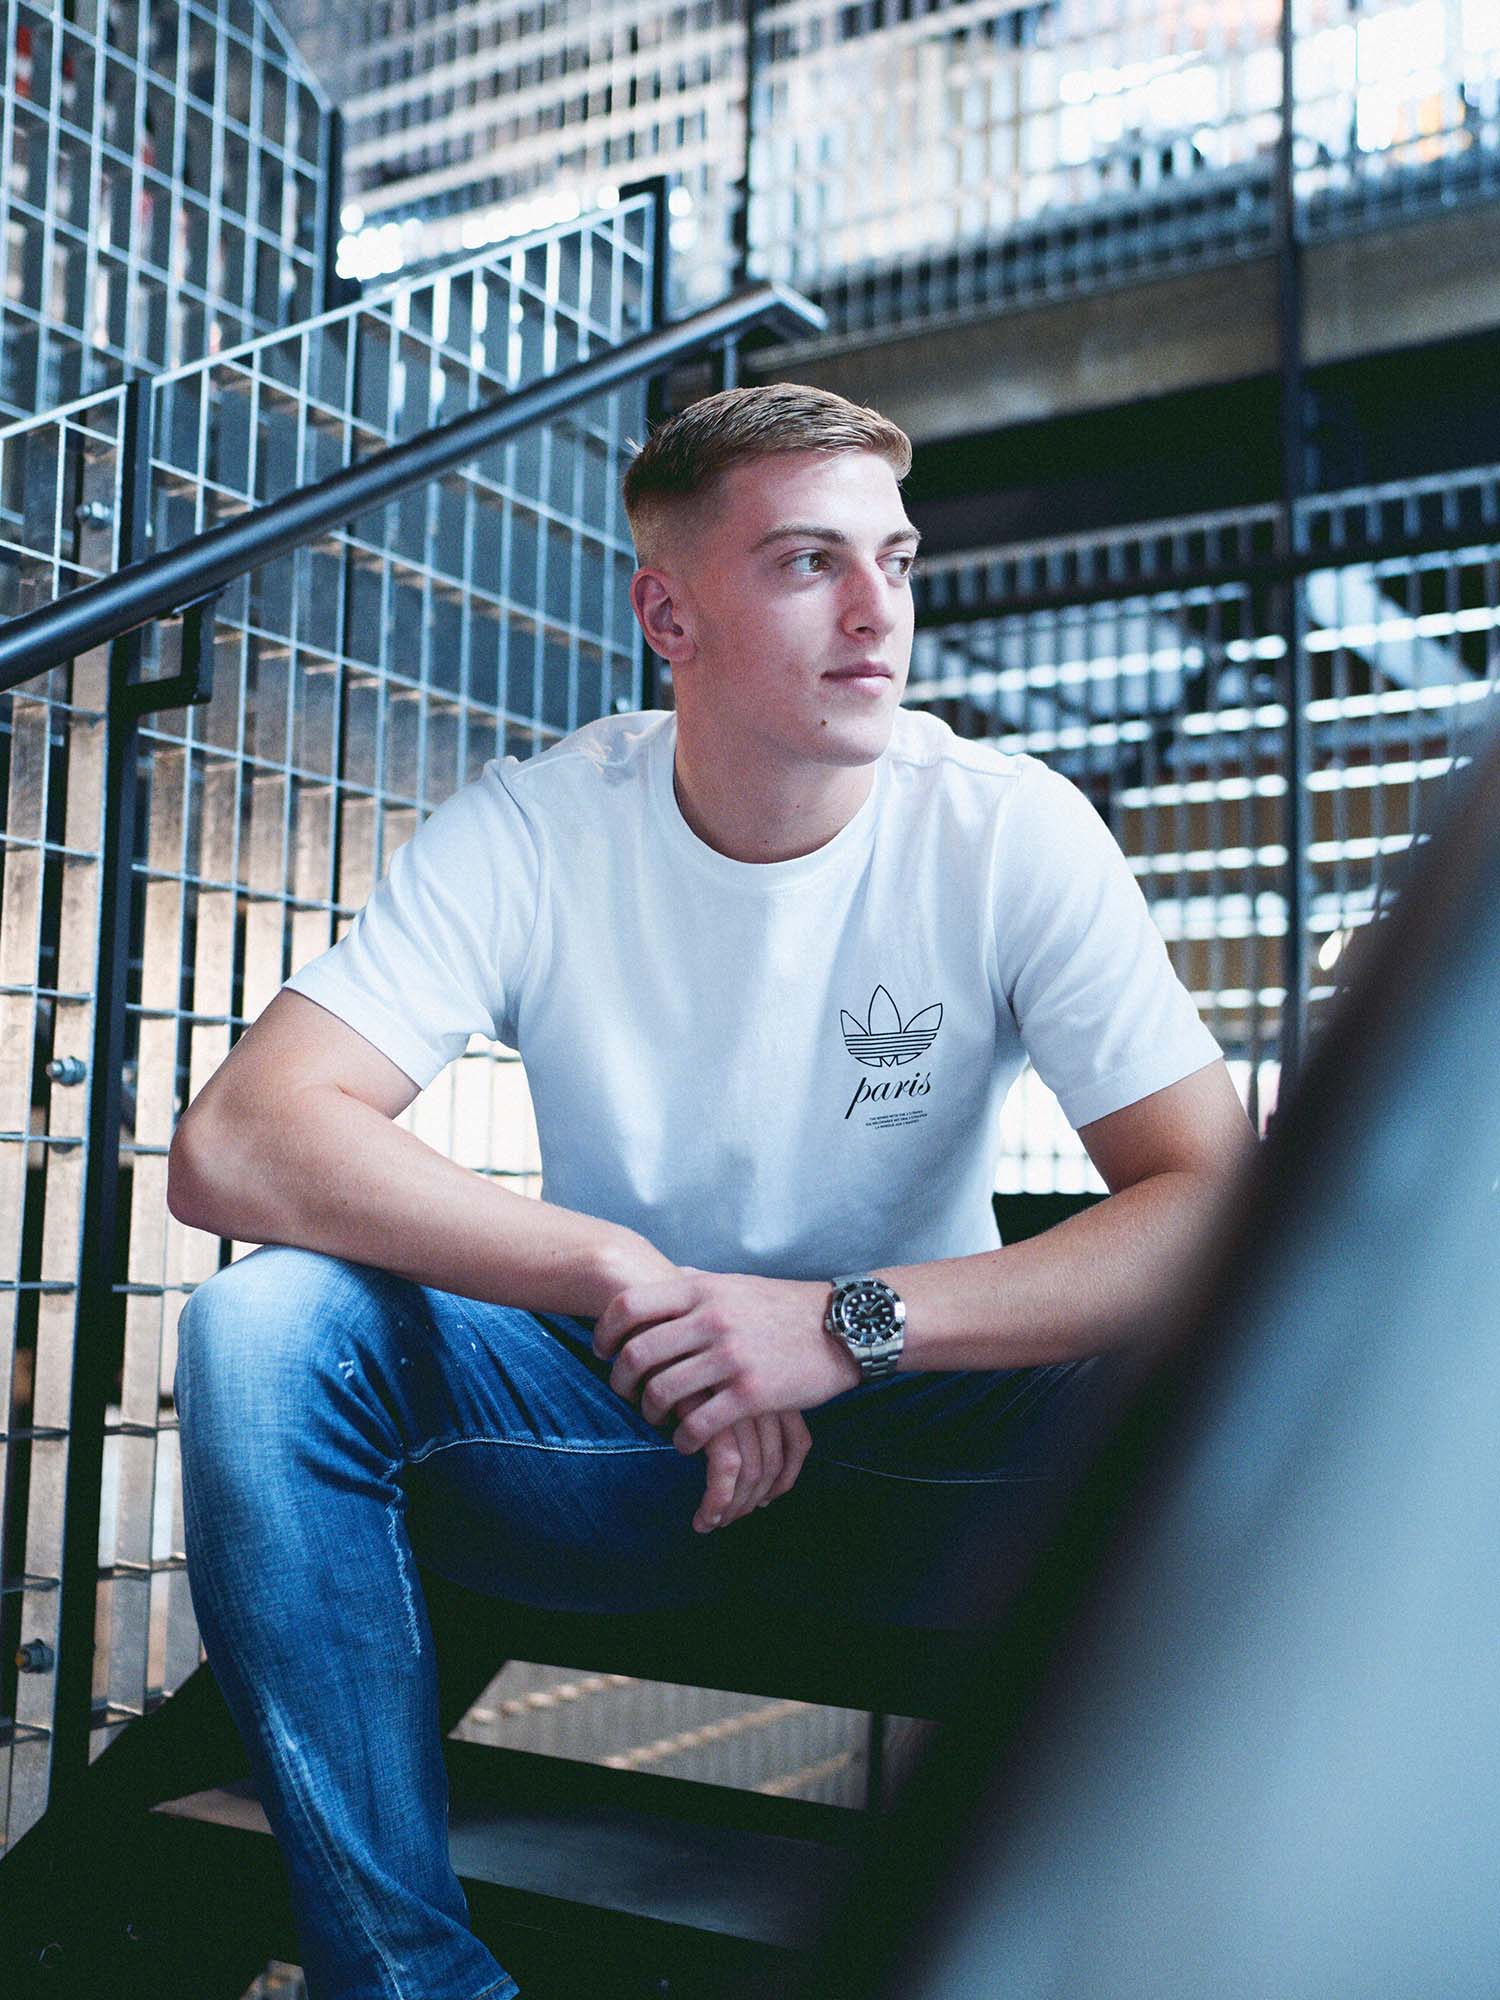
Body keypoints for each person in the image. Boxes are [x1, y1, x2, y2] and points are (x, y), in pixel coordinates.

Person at [168, 382, 1255, 2000]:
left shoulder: (1006, 828)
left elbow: (1217, 1208)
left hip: (932, 1444)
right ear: (668, 616)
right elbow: (241, 1141)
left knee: (1262, 1361)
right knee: (263, 1331)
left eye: (896, 558)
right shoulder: (543, 824)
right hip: (628, 1433)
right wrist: (624, 1277)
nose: (880, 611)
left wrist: (841, 1326)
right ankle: (409, 1982)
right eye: (811, 561)